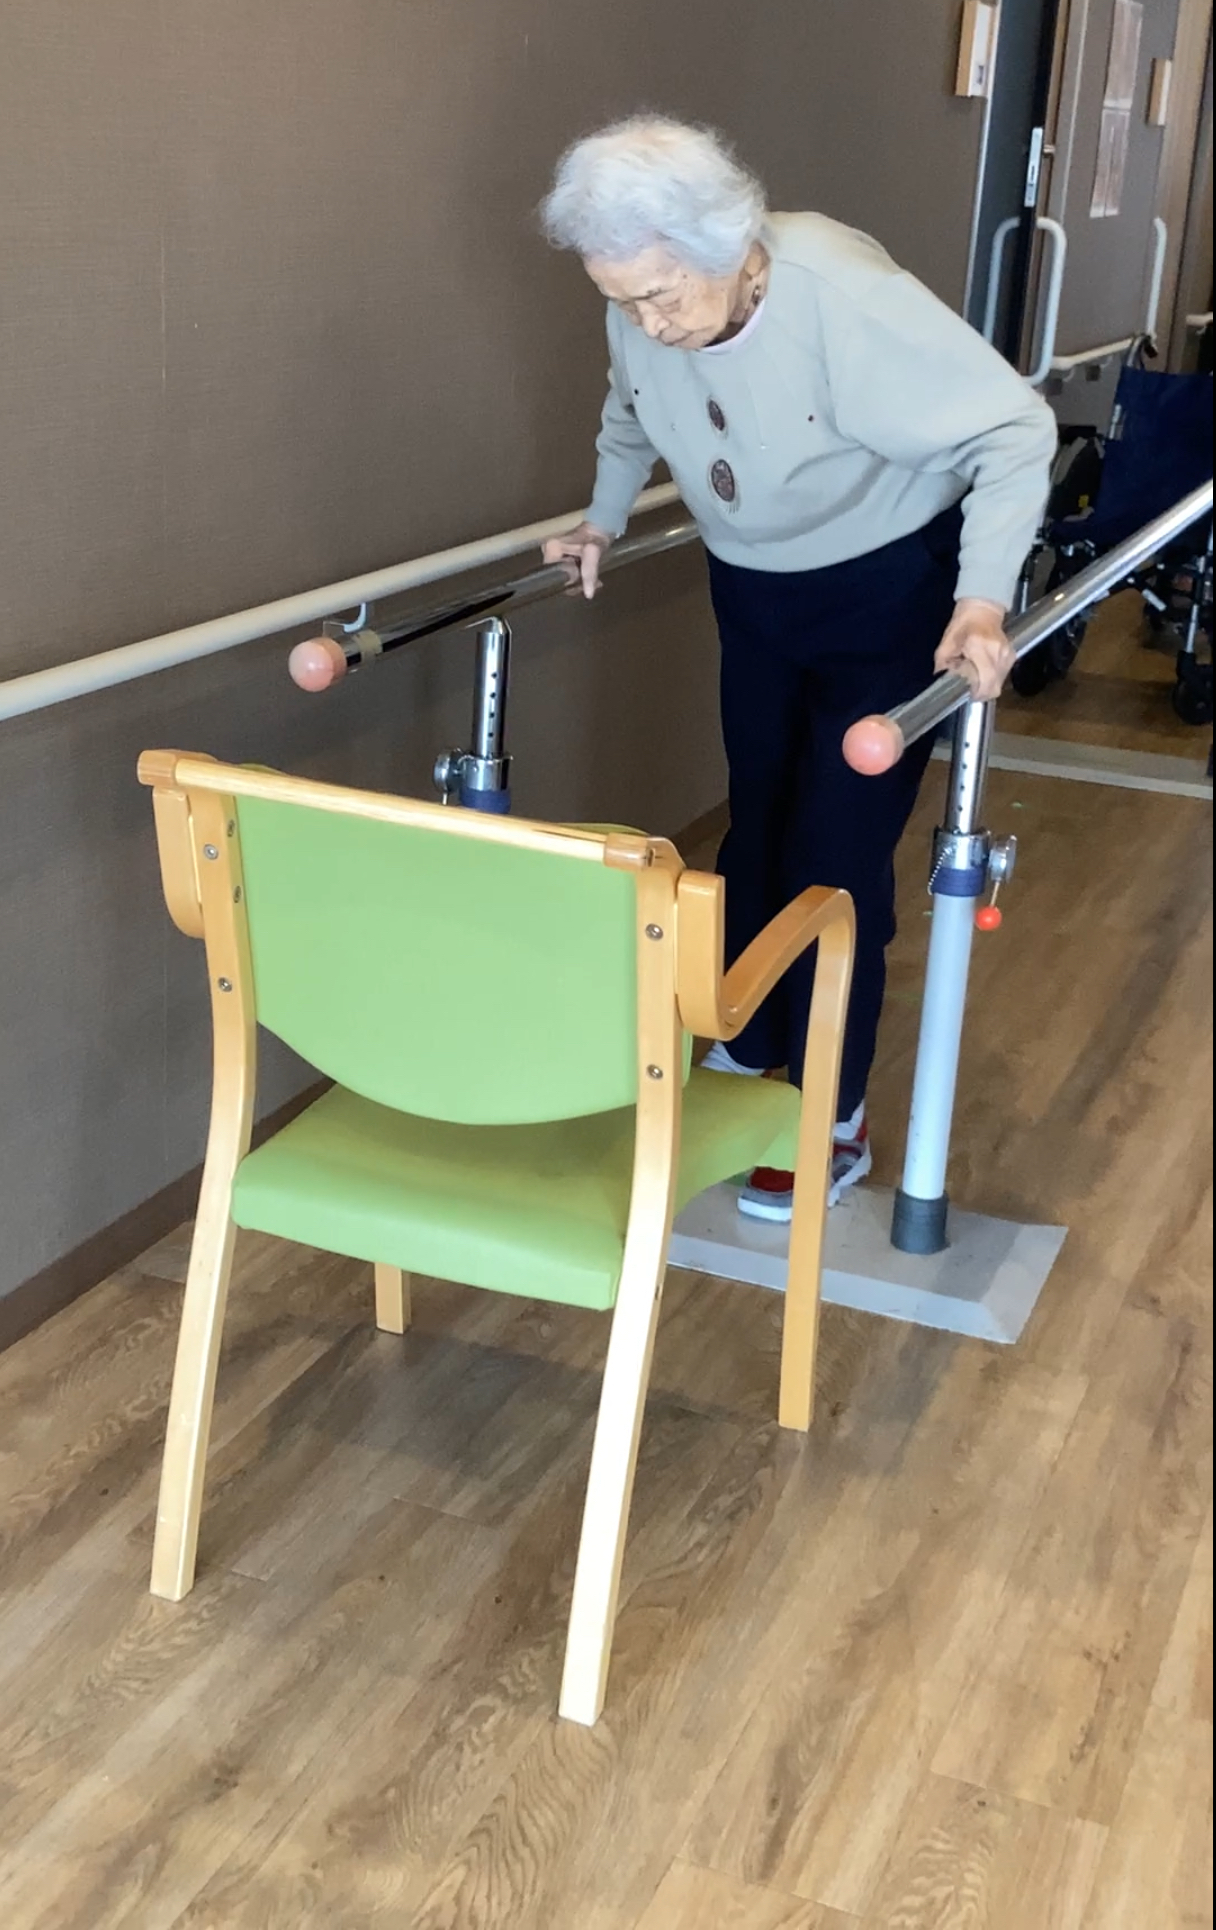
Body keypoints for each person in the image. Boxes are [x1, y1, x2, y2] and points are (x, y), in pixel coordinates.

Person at [539, 117, 1056, 1222]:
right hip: (755, 589)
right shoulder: (644, 307)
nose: (646, 323)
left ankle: (832, 1109)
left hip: (888, 591)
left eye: (659, 296)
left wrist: (980, 599)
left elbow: (1015, 430)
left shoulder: (836, 291)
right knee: (759, 822)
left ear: (727, 245)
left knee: (837, 853)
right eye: (619, 300)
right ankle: (755, 1032)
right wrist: (600, 519)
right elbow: (631, 413)